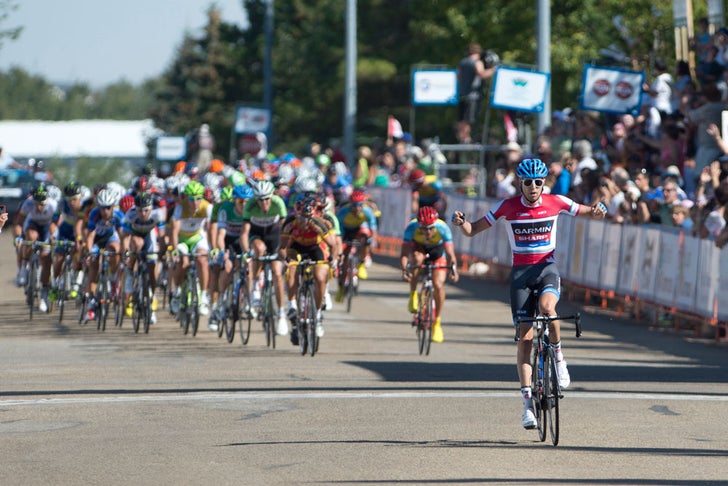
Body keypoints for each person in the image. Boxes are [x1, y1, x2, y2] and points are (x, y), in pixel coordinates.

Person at [451, 158, 607, 430]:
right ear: (519, 183)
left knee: (548, 309)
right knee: (525, 338)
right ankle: (527, 405)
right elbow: (473, 230)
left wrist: (598, 210)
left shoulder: (555, 201)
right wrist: (461, 223)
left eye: (538, 182)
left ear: (544, 183)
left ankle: (558, 357)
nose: (533, 187)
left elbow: (588, 211)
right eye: (528, 182)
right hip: (521, 276)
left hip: (547, 268)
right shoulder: (508, 206)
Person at [400, 206, 459, 343]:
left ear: (435, 224)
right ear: (418, 225)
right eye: (423, 228)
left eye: (430, 228)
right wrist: (404, 270)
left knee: (438, 285)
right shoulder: (411, 227)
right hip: (418, 248)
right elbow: (404, 254)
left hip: (437, 251)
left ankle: (437, 322)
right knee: (416, 259)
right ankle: (413, 294)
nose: (427, 232)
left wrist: (453, 270)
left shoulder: (443, 228)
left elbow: (450, 254)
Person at [240, 180, 289, 336]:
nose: (264, 203)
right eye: (260, 199)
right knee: (259, 250)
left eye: (267, 198)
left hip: (274, 235)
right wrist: (247, 251)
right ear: (256, 199)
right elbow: (244, 233)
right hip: (257, 235)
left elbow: (285, 229)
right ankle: (254, 285)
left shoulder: (278, 203)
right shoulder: (250, 206)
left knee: (277, 272)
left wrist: (284, 249)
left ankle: (281, 314)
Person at [13, 184, 59, 312]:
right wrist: (18, 237)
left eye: (42, 204)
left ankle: (44, 294)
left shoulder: (53, 205)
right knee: (30, 238)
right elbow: (19, 223)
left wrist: (52, 239)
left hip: (47, 227)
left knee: (46, 258)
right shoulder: (28, 203)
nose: (39, 207)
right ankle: (24, 267)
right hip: (32, 225)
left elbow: (54, 225)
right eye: (37, 203)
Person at [456, 43, 496, 144]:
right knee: (469, 119)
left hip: (462, 94)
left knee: (462, 119)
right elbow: (481, 73)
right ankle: (467, 139)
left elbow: (458, 76)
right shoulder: (477, 62)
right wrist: (493, 70)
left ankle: (462, 137)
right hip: (473, 96)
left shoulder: (463, 62)